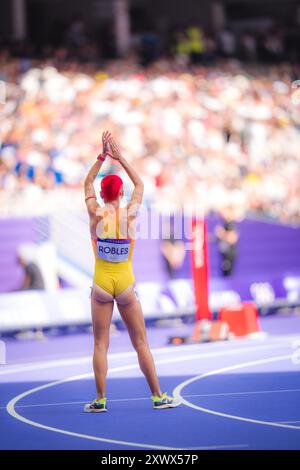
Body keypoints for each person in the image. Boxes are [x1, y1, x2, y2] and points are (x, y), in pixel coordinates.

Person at [83, 131, 180, 412]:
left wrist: (102, 157)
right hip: (125, 283)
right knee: (141, 343)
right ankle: (157, 396)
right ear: (121, 193)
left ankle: (100, 400)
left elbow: (87, 182)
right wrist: (119, 156)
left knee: (100, 344)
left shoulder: (95, 212)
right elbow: (140, 183)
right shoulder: (130, 213)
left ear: (101, 195)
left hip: (101, 283)